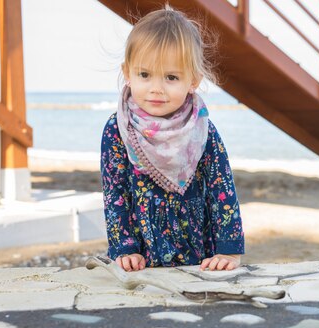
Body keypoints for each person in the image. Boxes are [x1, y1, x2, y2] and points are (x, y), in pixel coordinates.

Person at [100, 6, 244, 272]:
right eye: (145, 74)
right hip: (141, 259)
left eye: (171, 77)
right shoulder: (118, 129)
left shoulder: (203, 130)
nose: (157, 88)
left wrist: (228, 252)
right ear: (128, 72)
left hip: (200, 258)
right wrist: (125, 249)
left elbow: (221, 190)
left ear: (193, 80)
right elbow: (115, 194)